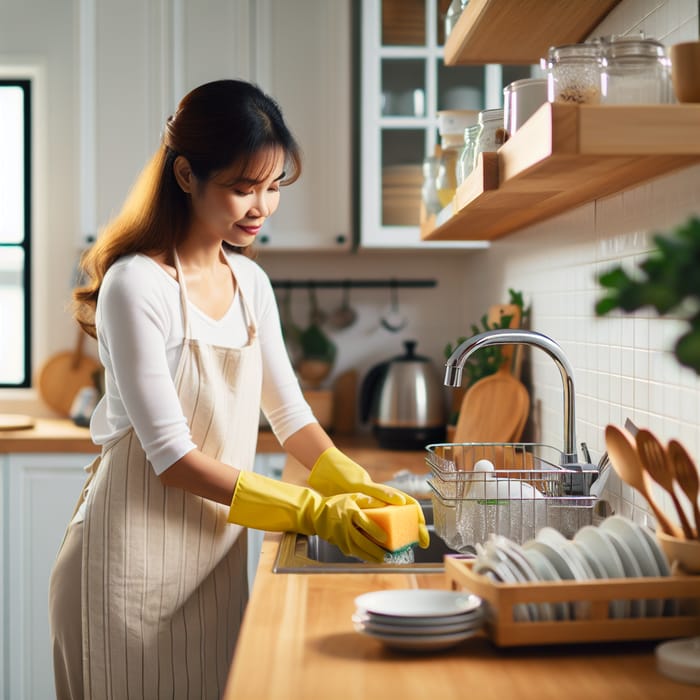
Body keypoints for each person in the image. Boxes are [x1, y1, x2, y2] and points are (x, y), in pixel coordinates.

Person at [48, 79, 428, 700]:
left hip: (213, 558)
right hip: (125, 568)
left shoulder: (250, 283)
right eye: (242, 188)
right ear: (186, 175)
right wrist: (311, 510)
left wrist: (352, 481)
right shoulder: (136, 285)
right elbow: (172, 461)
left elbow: (290, 413)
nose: (261, 208)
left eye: (273, 187)